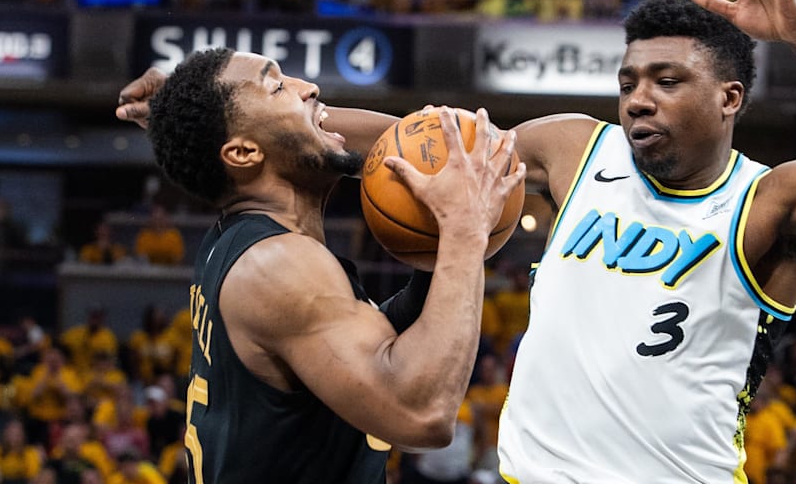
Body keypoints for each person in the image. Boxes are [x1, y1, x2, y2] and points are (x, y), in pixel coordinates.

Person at [116, 0, 796, 483]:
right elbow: (421, 151)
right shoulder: (572, 147)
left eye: (667, 81)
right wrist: (207, 109)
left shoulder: (775, 202)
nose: (638, 99)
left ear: (729, 99)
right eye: (628, 80)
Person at [120, 47, 524, 483]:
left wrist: (434, 261)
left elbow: (362, 344)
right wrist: (464, 232)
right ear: (242, 154)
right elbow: (421, 413)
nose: (310, 88)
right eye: (277, 86)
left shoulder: (242, 243)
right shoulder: (278, 266)